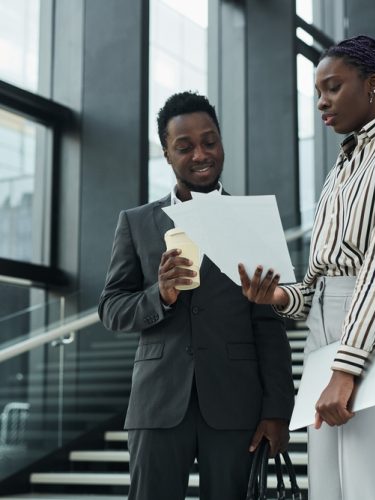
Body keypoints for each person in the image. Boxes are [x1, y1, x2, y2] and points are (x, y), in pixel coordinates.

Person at [98, 91, 294, 500]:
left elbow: (270, 326)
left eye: (210, 141)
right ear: (167, 154)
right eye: (184, 147)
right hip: (158, 403)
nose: (201, 154)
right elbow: (112, 308)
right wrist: (160, 296)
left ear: (221, 142)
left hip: (236, 405)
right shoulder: (136, 223)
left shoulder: (251, 221)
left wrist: (277, 411)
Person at [239, 35, 375, 500]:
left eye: (332, 87)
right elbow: (319, 277)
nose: (321, 102)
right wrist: (282, 296)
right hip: (326, 328)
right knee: (328, 486)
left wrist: (347, 368)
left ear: (372, 85)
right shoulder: (344, 164)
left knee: (373, 481)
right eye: (316, 92)